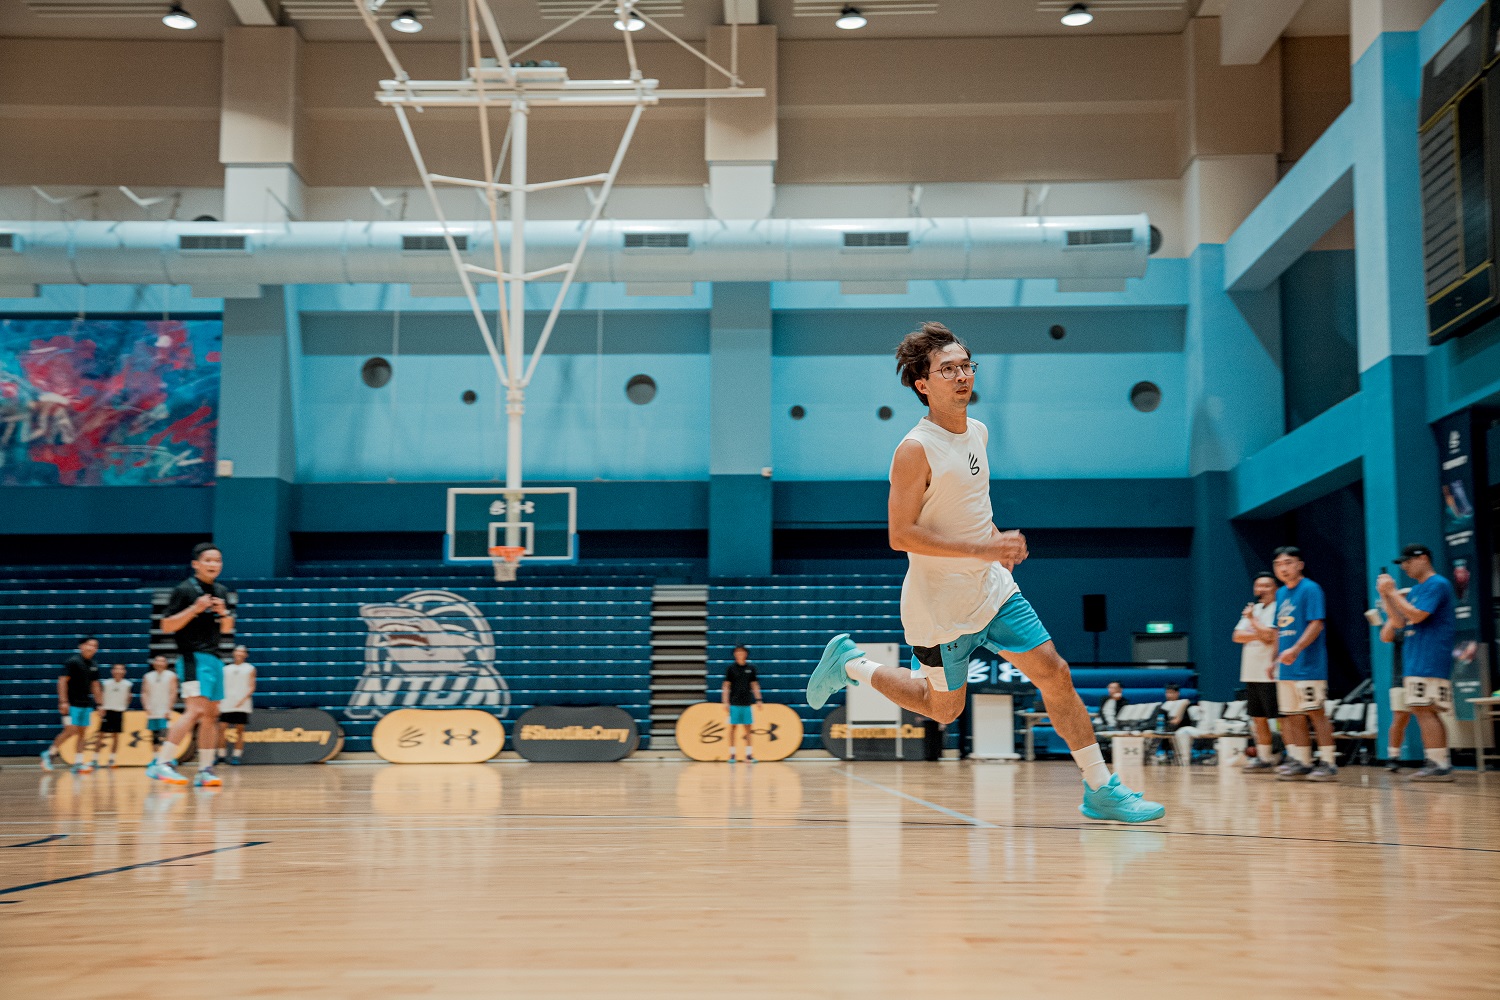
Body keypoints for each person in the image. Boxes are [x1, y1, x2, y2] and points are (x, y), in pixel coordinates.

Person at [806, 322, 1164, 823]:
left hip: (993, 592)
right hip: (940, 608)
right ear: (922, 384)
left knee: (1055, 673)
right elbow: (900, 535)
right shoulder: (914, 449)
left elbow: (969, 509)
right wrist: (982, 547)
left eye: (966, 366)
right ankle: (852, 665)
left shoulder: (978, 432)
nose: (961, 376)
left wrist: (996, 543)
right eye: (947, 369)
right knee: (943, 709)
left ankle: (1100, 788)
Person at [146, 542, 234, 788]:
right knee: (194, 710)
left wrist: (224, 614)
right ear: (196, 564)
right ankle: (161, 763)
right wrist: (195, 609)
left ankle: (205, 770)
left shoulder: (221, 591)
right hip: (192, 657)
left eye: (217, 560)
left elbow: (227, 629)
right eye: (208, 560)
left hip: (215, 658)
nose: (213, 564)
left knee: (211, 715)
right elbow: (166, 626)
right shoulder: (184, 590)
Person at [1377, 544, 1458, 781]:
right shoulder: (1416, 590)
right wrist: (1385, 596)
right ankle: (1437, 762)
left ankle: (1439, 765)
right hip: (1416, 657)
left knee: (1425, 709)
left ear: (1423, 558)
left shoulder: (1437, 584)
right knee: (1424, 710)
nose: (1404, 566)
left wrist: (1393, 592)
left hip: (1430, 656)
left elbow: (1418, 615)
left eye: (1408, 561)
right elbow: (1398, 623)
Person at [1271, 547, 1338, 782]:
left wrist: (1296, 649)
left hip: (1309, 666)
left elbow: (1316, 624)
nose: (1283, 568)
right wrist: (1274, 659)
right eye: (1279, 564)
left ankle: (1328, 763)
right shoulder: (1281, 593)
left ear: (1300, 565)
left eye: (1288, 562)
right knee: (1293, 716)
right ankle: (1302, 761)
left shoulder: (1310, 589)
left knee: (1316, 714)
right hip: (1287, 668)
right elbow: (1279, 629)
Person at [1233, 572, 1281, 771]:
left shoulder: (1277, 608)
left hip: (1270, 674)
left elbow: (1270, 637)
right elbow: (1237, 636)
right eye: (1258, 586)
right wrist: (1259, 632)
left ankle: (1292, 756)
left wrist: (1252, 622)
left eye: (1267, 585)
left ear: (1276, 588)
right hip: (1251, 672)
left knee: (1280, 719)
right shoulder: (1254, 608)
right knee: (1258, 718)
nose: (1262, 589)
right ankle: (1264, 758)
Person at [41, 637, 102, 774]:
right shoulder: (73, 662)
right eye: (89, 645)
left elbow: (95, 685)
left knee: (82, 733)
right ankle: (49, 754)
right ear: (81, 646)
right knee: (71, 730)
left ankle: (78, 763)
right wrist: (63, 701)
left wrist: (100, 704)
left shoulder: (94, 664)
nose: (92, 648)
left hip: (86, 704)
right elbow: (62, 681)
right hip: (71, 703)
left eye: (95, 646)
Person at [721, 645, 762, 763]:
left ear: (746, 654)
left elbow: (754, 685)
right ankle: (732, 754)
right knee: (732, 728)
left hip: (747, 703)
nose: (740, 654)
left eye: (742, 652)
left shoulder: (751, 668)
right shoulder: (731, 669)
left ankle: (749, 755)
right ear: (734, 654)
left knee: (748, 729)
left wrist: (758, 699)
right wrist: (725, 701)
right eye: (737, 652)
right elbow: (726, 686)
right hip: (734, 703)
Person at [217, 645, 257, 766]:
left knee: (239, 730)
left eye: (242, 652)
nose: (239, 653)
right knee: (222, 729)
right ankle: (221, 755)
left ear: (246, 655)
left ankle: (236, 756)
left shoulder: (250, 668)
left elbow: (252, 687)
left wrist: (243, 700)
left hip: (242, 704)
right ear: (234, 653)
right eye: (237, 651)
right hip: (226, 703)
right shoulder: (226, 669)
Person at [96, 663, 133, 769]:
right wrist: (101, 707)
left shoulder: (128, 684)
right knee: (101, 735)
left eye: (121, 669)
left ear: (124, 671)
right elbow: (101, 695)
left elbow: (129, 698)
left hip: (119, 711)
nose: (118, 671)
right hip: (107, 711)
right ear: (112, 671)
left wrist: (126, 704)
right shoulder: (106, 683)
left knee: (116, 736)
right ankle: (95, 759)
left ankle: (112, 759)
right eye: (116, 669)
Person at [140, 654, 178, 750]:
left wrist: (169, 708)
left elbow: (173, 692)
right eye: (157, 660)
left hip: (165, 710)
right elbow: (144, 692)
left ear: (166, 663)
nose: (159, 663)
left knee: (165, 735)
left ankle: (166, 756)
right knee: (154, 736)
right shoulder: (148, 676)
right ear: (153, 663)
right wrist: (146, 706)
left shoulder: (171, 675)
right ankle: (155, 756)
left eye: (162, 661)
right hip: (152, 710)